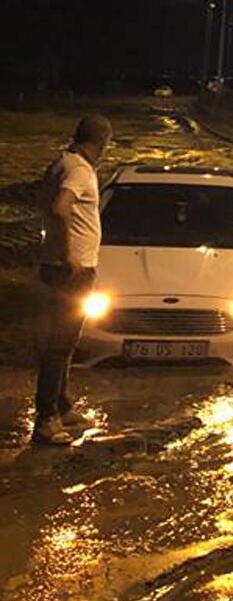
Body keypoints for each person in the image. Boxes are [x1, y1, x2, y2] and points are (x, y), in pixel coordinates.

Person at [34, 115, 112, 446]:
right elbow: (61, 207)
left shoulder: (61, 163)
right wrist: (70, 254)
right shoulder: (80, 169)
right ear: (103, 142)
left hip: (55, 265)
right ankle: (46, 418)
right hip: (70, 271)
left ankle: (62, 405)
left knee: (63, 342)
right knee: (60, 343)